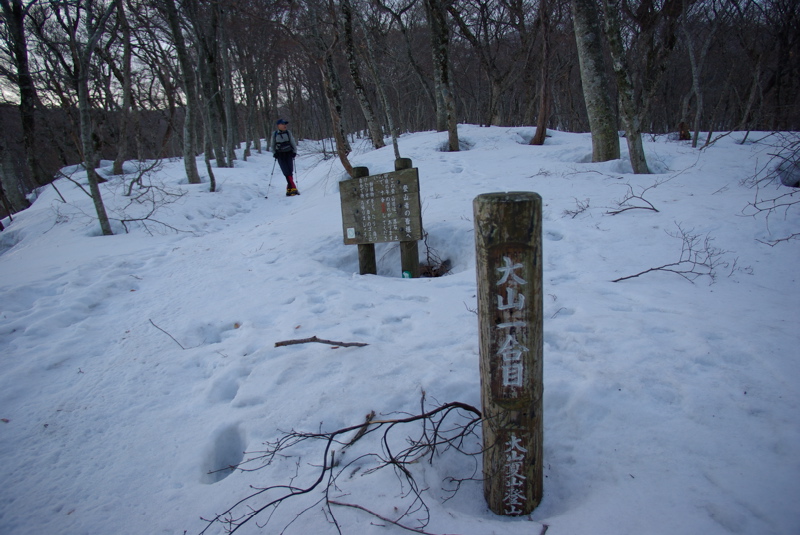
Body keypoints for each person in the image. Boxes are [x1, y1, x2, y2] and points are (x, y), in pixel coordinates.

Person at [269, 119, 299, 196]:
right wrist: (274, 153)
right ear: (278, 125)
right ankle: (293, 188)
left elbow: (292, 142)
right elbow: (272, 145)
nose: (285, 125)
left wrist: (294, 151)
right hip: (280, 155)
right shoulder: (275, 134)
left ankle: (289, 189)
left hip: (289, 153)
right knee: (286, 171)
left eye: (285, 124)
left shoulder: (288, 133)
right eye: (283, 124)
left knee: (290, 170)